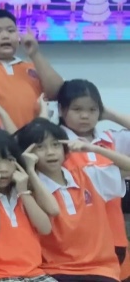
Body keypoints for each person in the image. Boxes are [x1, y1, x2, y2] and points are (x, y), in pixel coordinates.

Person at [15, 118, 130, 281]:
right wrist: (29, 169)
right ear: (27, 154)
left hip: (102, 270)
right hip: (55, 271)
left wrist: (92, 148)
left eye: (55, 145)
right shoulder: (28, 189)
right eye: (40, 147)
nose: (50, 152)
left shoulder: (88, 175)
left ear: (65, 148)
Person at [0, 130, 59, 281]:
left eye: (9, 159)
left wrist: (23, 192)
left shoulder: (22, 193)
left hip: (35, 273)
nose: (3, 168)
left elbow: (45, 228)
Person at [56, 79, 130, 270]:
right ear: (61, 110)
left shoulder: (110, 140)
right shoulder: (55, 144)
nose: (85, 116)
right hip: (72, 239)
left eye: (92, 110)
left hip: (113, 235)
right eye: (77, 109)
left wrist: (110, 114)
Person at [0, 10, 63, 128]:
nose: (5, 36)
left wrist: (35, 54)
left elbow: (58, 92)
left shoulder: (32, 67)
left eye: (11, 31)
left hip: (34, 134)